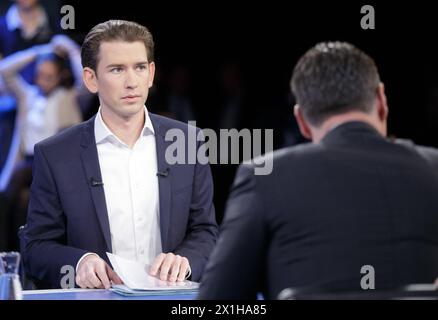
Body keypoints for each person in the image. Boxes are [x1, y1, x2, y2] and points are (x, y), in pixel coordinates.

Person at [198, 42, 438, 299]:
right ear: (381, 100)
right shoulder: (433, 168)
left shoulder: (264, 176)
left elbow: (216, 300)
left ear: (301, 120)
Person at [20, 20, 218, 289]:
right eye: (117, 69)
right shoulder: (55, 154)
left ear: (151, 73)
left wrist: (186, 259)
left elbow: (205, 231)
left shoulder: (187, 141)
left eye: (139, 68)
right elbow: (36, 247)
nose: (131, 82)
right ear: (91, 79)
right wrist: (80, 262)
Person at [0, 34, 84, 250]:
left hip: (55, 165)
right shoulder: (27, 95)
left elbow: (87, 83)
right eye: (40, 75)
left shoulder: (69, 98)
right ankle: (10, 255)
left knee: (25, 202)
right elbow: (5, 70)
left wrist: (71, 51)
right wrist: (38, 50)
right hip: (27, 162)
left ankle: (29, 252)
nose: (42, 81)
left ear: (60, 76)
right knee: (13, 200)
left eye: (49, 76)